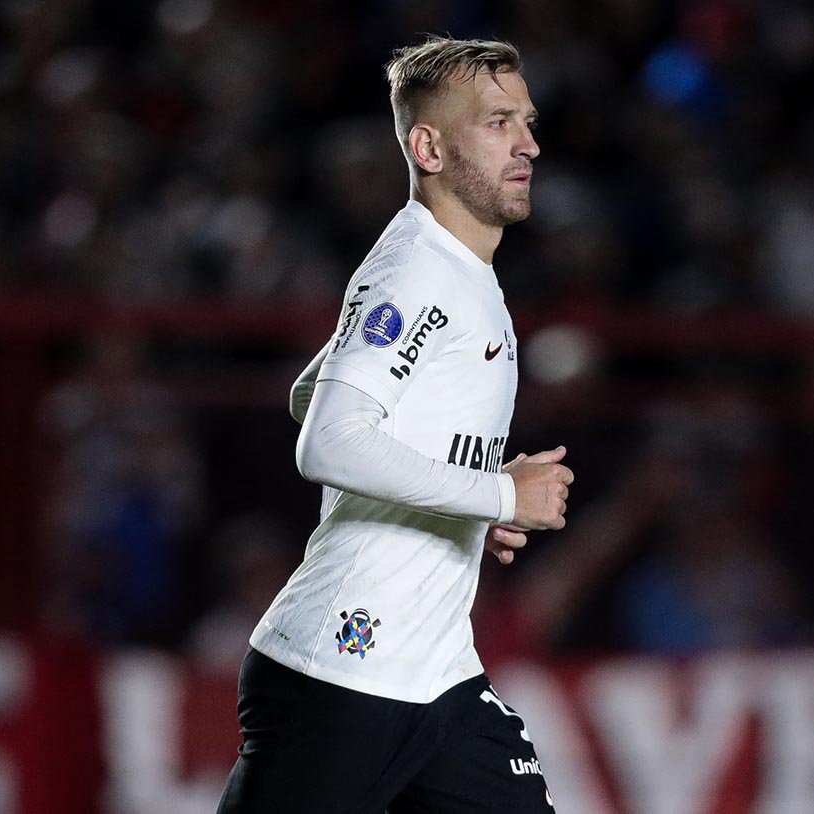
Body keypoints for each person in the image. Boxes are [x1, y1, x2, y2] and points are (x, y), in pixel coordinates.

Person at [217, 36, 572, 813]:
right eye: (498, 122)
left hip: (435, 672)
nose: (529, 144)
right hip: (344, 672)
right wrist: (503, 500)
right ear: (428, 146)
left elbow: (310, 395)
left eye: (528, 121)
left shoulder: (454, 269)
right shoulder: (415, 271)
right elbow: (328, 439)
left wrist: (474, 495)